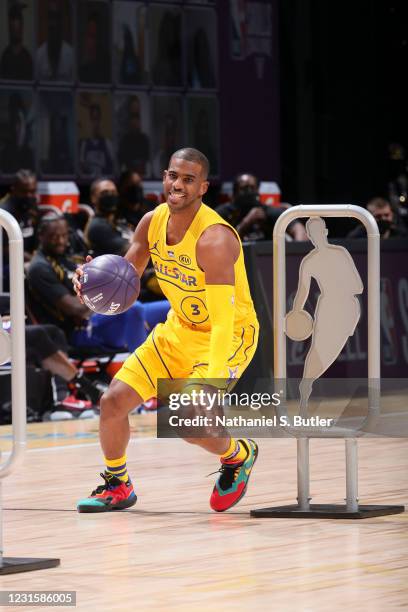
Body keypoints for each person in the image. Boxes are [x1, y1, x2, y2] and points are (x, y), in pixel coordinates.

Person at [74, 147, 260, 514]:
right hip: (177, 330)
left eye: (189, 179)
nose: (178, 185)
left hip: (227, 335)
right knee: (111, 403)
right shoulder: (151, 222)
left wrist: (212, 379)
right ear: (164, 177)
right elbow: (123, 289)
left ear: (203, 187)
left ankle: (239, 454)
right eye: (174, 176)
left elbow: (223, 320)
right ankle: (118, 484)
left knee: (191, 424)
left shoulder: (215, 239)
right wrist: (92, 287)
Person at [27, 214, 169, 353]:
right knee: (133, 309)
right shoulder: (39, 267)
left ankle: (182, 373)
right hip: (82, 329)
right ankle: (143, 372)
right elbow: (77, 309)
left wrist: (109, 285)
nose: (61, 241)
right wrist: (106, 291)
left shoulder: (71, 256)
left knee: (174, 307)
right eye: (54, 236)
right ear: (41, 236)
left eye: (64, 235)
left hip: (110, 311)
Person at [286, 217, 363, 416]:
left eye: (319, 232)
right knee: (319, 349)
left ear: (325, 232)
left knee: (331, 349)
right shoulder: (309, 261)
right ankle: (306, 387)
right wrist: (295, 312)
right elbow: (302, 291)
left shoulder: (340, 253)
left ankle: (307, 385)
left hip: (347, 306)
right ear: (310, 237)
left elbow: (358, 286)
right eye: (313, 234)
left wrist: (340, 285)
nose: (316, 237)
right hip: (327, 306)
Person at [216, 174, 307, 241]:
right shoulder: (223, 213)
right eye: (244, 188)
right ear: (235, 193)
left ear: (258, 190)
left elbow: (298, 230)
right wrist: (246, 223)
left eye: (252, 188)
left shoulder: (266, 211)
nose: (249, 192)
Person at [0, 169, 39, 264]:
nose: (29, 196)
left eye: (32, 191)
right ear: (14, 189)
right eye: (24, 192)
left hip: (27, 261)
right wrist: (35, 260)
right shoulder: (3, 213)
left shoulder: (32, 207)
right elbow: (4, 248)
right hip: (7, 266)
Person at [85, 178, 130, 257]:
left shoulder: (119, 221)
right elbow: (129, 249)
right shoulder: (97, 225)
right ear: (93, 198)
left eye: (113, 192)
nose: (110, 196)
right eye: (104, 193)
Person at [35, 0, 73, 81]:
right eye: (51, 17)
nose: (53, 23)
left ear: (61, 21)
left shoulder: (71, 55)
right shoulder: (39, 56)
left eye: (57, 17)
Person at [117, 96, 150, 175]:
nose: (135, 123)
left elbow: (146, 159)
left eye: (137, 120)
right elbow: (122, 161)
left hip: (142, 174)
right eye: (133, 120)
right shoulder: (125, 139)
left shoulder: (144, 139)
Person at [79, 104, 114, 177]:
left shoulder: (107, 143)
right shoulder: (84, 144)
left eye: (97, 119)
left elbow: (113, 167)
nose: (95, 123)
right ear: (89, 121)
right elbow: (81, 168)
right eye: (93, 119)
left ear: (100, 120)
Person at [0, 2, 33, 80]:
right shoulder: (5, 56)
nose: (16, 31)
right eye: (13, 29)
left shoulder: (26, 57)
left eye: (18, 29)